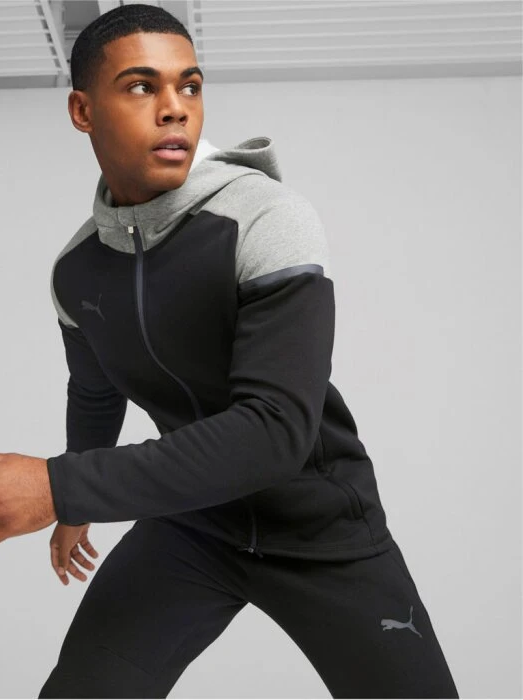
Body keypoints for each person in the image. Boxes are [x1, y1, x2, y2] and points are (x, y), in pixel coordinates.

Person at [38, 4, 459, 698]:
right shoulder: (77, 270)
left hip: (322, 531)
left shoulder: (265, 218)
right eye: (142, 86)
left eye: (190, 85)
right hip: (192, 523)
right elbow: (94, 389)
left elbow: (275, 433)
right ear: (83, 110)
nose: (175, 107)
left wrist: (60, 484)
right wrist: (75, 507)